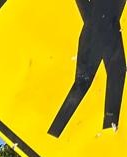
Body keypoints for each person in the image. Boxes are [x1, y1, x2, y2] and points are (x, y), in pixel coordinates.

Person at [49, 0, 127, 138]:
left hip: (99, 21)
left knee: (110, 72)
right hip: (99, 21)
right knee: (89, 80)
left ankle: (55, 131)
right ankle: (55, 131)